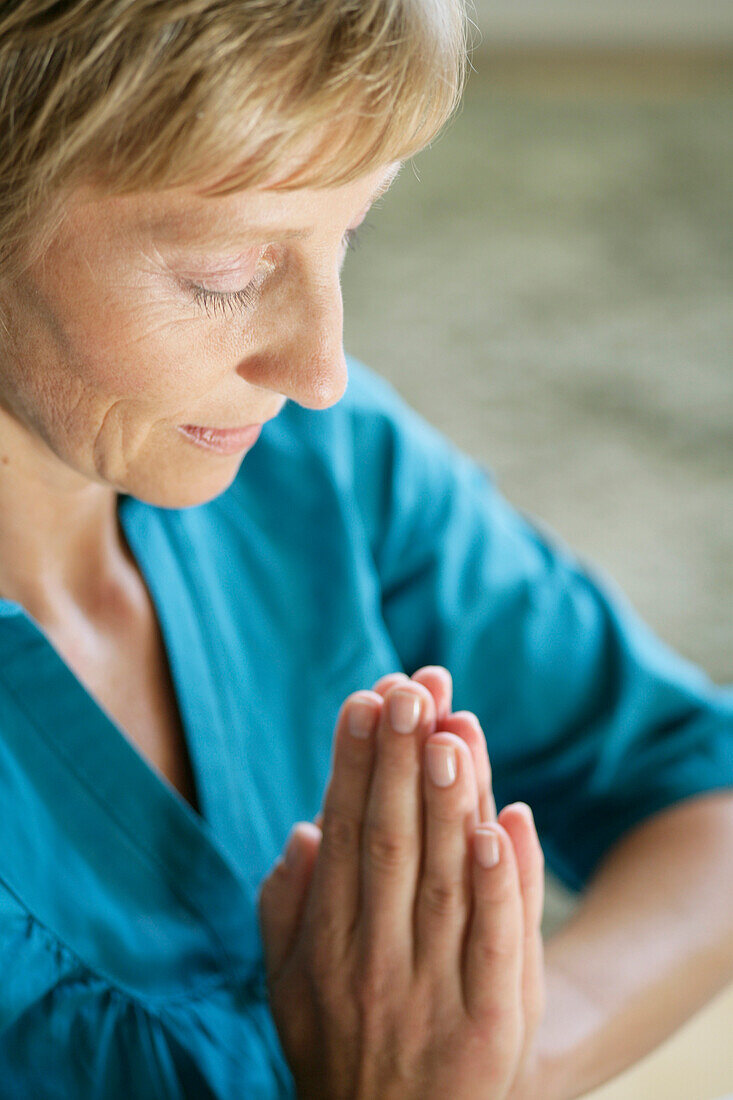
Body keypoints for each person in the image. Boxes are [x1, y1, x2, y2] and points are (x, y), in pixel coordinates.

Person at [0, 1, 731, 1097]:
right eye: (226, 274)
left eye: (351, 230)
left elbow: (701, 791)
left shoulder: (325, 465)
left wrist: (501, 1059)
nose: (321, 367)